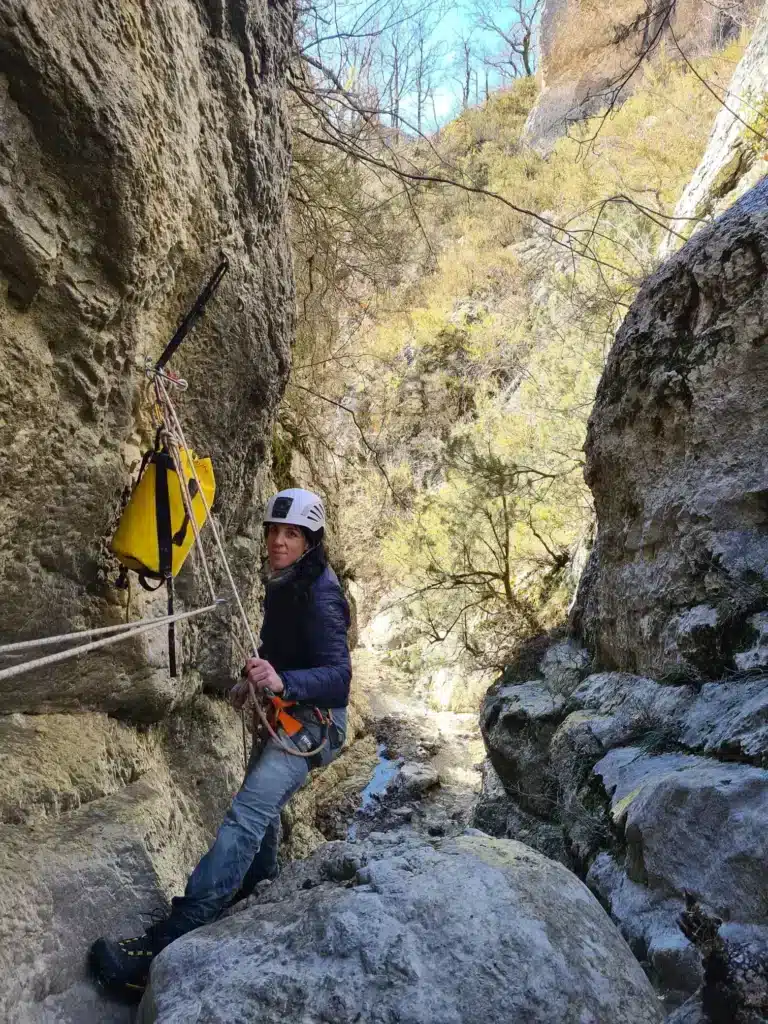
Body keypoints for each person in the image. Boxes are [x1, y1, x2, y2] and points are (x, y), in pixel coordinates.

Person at [90, 488, 351, 997]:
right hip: (288, 715)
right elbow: (277, 647)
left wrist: (283, 683)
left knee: (247, 813)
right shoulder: (286, 582)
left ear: (310, 542)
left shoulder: (321, 594)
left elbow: (339, 678)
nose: (278, 540)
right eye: (274, 531)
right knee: (262, 810)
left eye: (291, 534)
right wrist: (251, 679)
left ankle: (168, 943)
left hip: (315, 724)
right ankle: (255, 889)